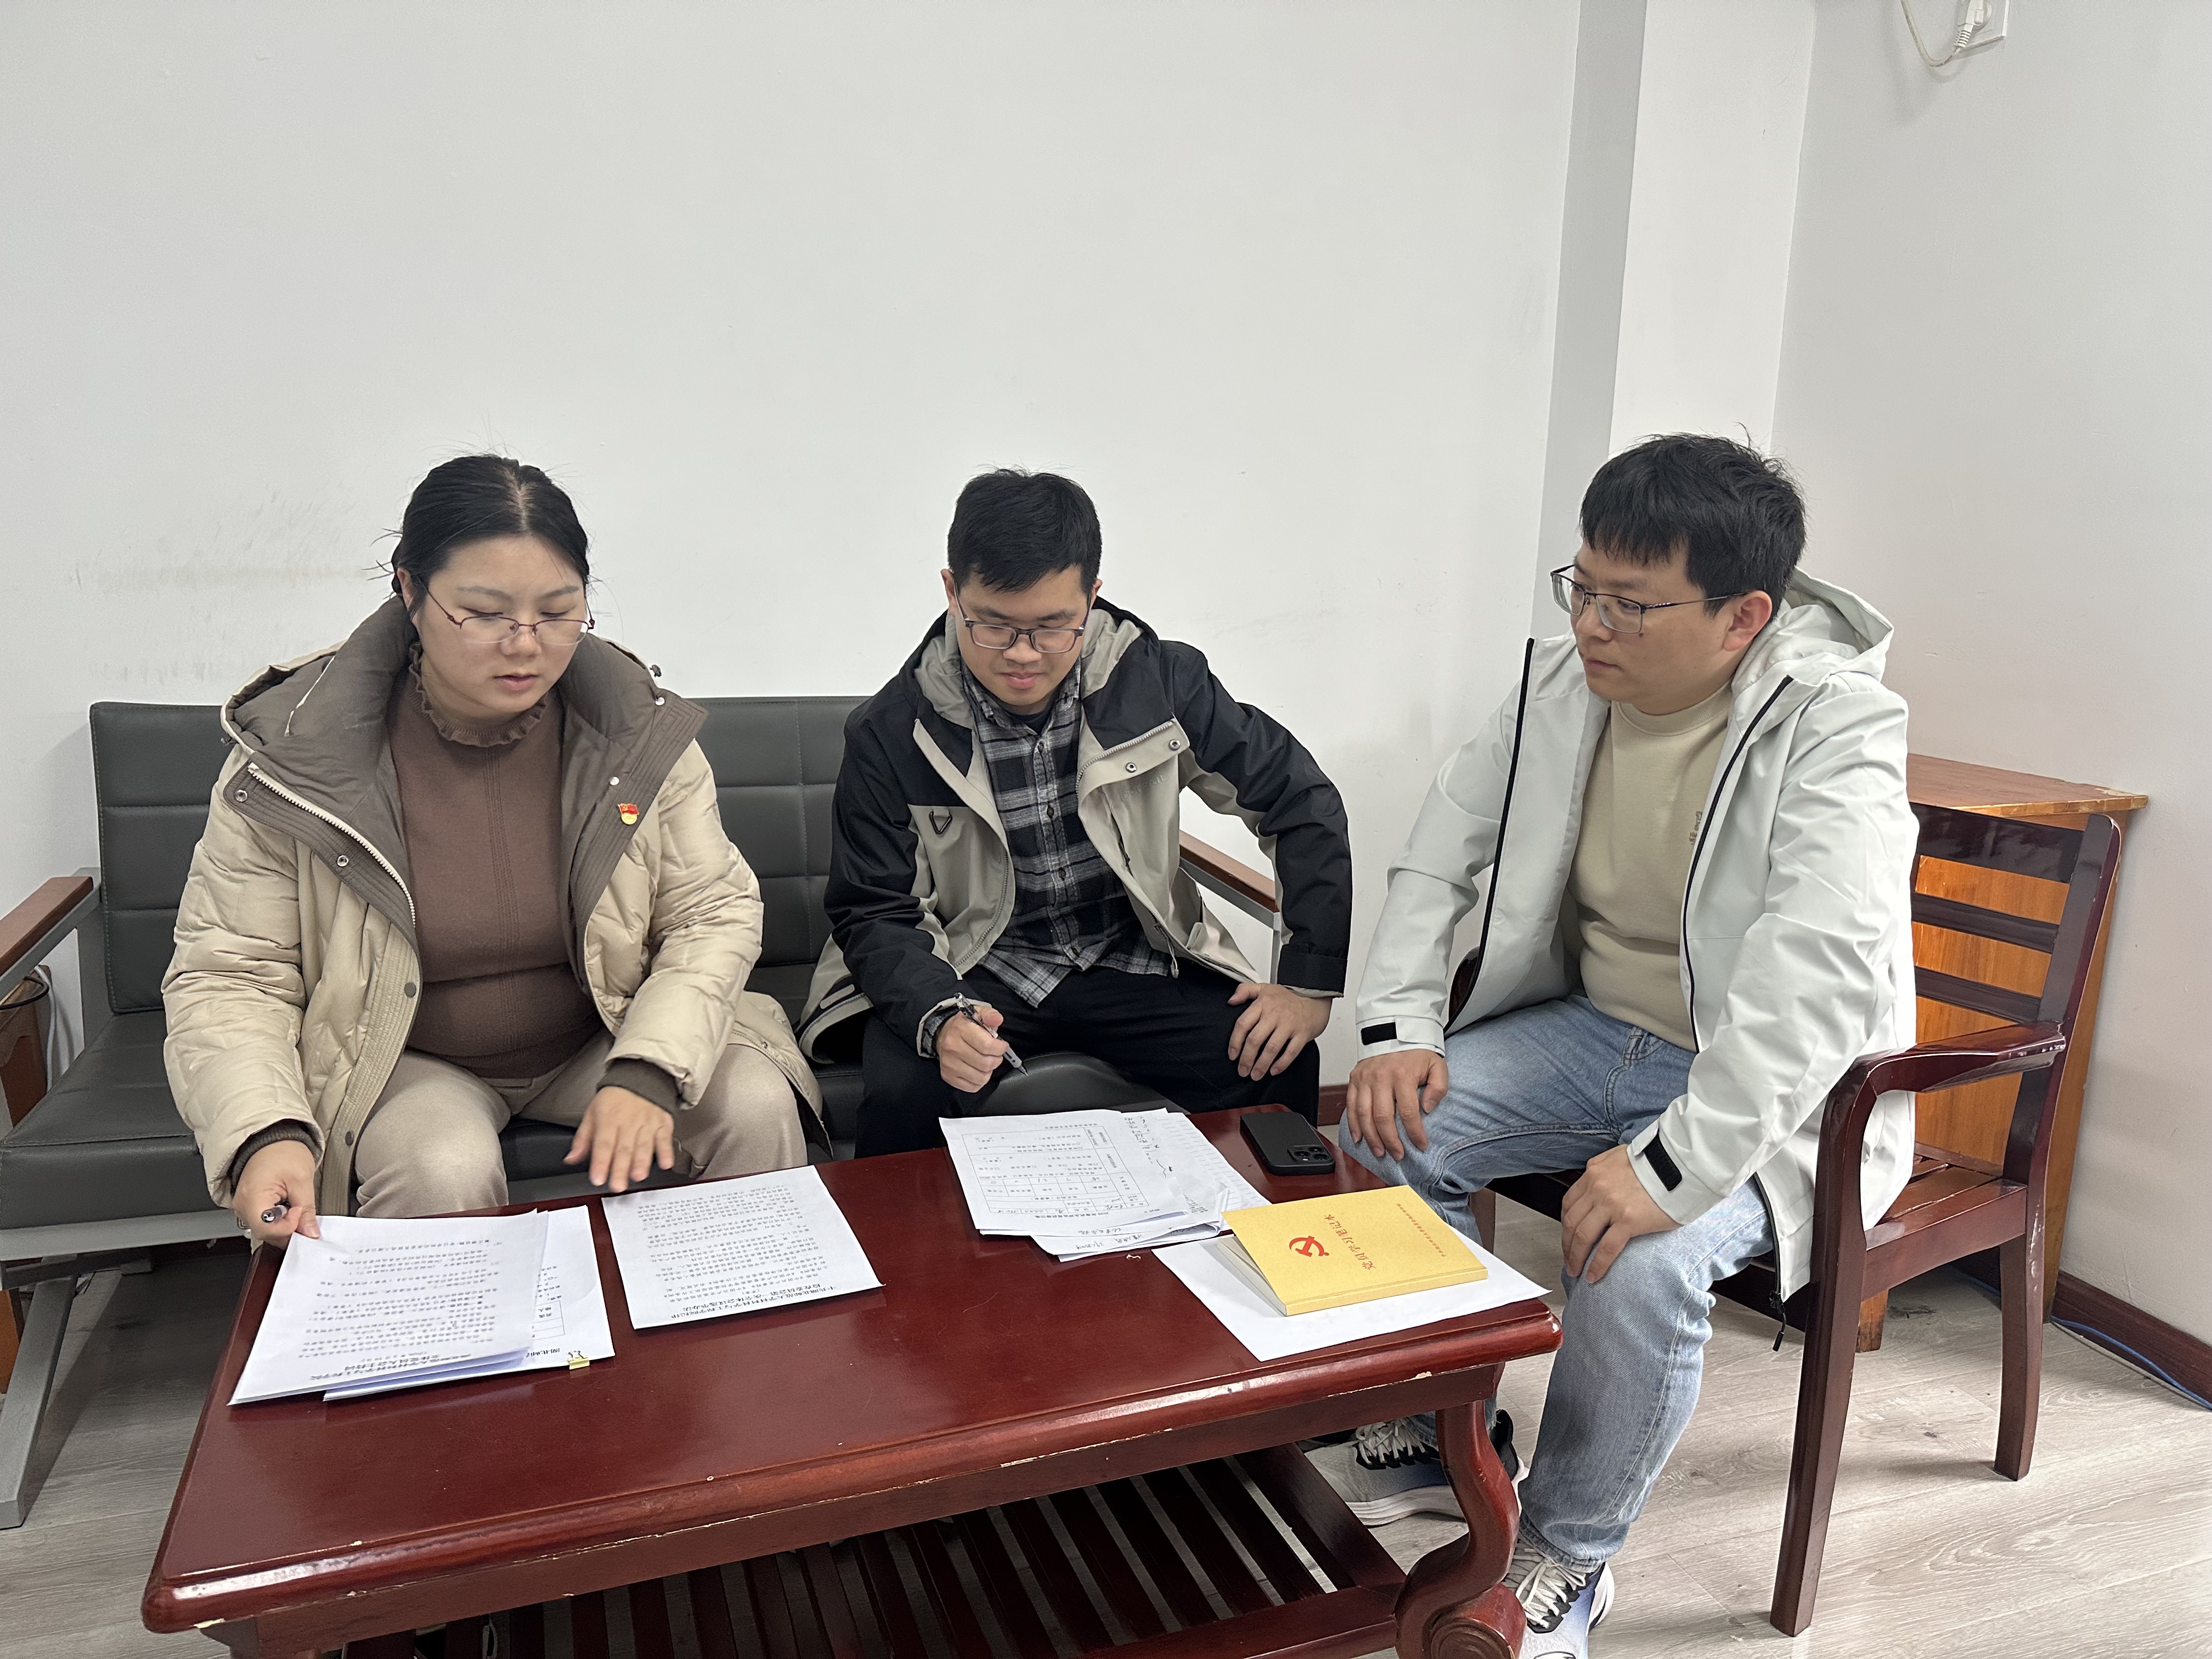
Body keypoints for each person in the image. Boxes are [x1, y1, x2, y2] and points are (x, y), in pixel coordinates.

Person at [1331, 435, 1918, 1657]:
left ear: (1743, 615)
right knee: (1382, 1130)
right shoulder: (1562, 684)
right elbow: (1440, 851)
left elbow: (1815, 975)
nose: (1591, 625)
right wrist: (1396, 1027)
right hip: (1599, 1028)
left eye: (1630, 604)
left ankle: (1566, 1551)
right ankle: (1450, 1436)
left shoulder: (1836, 725)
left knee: (1639, 1256)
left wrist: (1669, 1170)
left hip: (1774, 1089)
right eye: (1582, 588)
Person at [166, 455, 823, 1249]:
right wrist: (262, 1132)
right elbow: (231, 972)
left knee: (751, 1103)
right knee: (440, 1164)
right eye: (483, 613)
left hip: (604, 1031)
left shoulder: (638, 731)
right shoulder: (299, 755)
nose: (525, 645)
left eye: (559, 612)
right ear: (410, 591)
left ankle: (746, 1324)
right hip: (402, 1059)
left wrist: (650, 1064)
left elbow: (710, 912)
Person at [800, 468, 1353, 1156]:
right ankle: (911, 1234)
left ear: (1091, 597)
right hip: (973, 968)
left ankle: (1282, 1223)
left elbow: (1299, 799)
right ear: (951, 591)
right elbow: (875, 909)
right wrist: (940, 1016)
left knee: (1275, 1058)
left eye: (1053, 627)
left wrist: (1307, 984)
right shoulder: (891, 730)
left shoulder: (1161, 685)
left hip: (1130, 959)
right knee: (904, 1088)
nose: (1022, 655)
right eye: (993, 625)